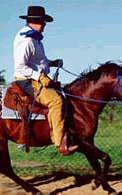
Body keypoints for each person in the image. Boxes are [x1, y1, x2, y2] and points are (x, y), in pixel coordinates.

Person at [13, 6, 78, 155]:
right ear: (36, 22)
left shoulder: (35, 39)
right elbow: (20, 67)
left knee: (63, 94)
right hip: (27, 80)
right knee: (56, 101)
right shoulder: (27, 40)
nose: (45, 25)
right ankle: (59, 142)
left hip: (36, 78)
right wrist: (40, 76)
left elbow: (39, 62)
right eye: (43, 22)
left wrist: (52, 63)